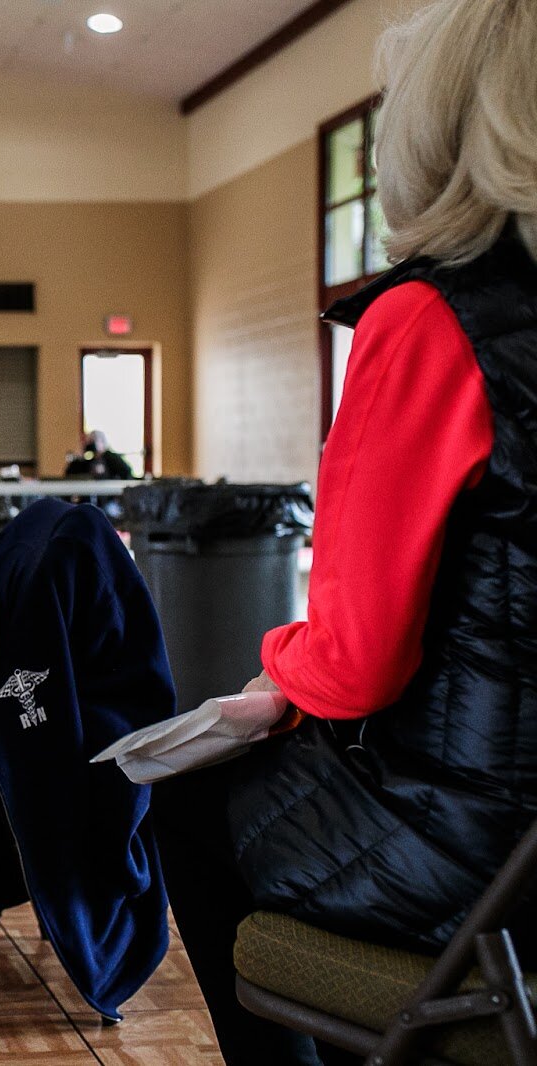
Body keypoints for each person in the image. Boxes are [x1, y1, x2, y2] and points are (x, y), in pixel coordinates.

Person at [152, 3, 537, 1063]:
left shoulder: (431, 320)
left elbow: (356, 664)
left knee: (187, 805)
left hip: (482, 849)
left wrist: (279, 673)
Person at [62, 429, 134, 480]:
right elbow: (70, 473)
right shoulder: (87, 460)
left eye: (93, 440)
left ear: (102, 442)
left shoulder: (111, 458)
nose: (90, 443)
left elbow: (126, 472)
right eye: (89, 441)